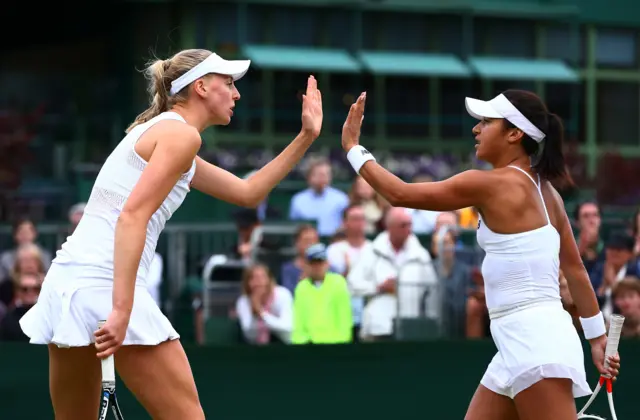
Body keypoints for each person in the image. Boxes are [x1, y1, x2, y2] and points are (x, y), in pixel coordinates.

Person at [18, 49, 323, 419]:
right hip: (104, 285)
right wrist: (121, 309)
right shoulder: (180, 137)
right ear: (201, 87)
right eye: (228, 83)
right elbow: (132, 217)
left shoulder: (166, 135)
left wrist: (306, 136)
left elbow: (248, 193)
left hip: (67, 283)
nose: (237, 94)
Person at [340, 90, 621, 419]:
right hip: (520, 343)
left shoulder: (490, 184)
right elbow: (576, 272)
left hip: (536, 344)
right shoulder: (550, 194)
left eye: (487, 122)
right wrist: (596, 337)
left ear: (514, 134)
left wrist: (353, 149)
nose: (476, 129)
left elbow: (399, 193)